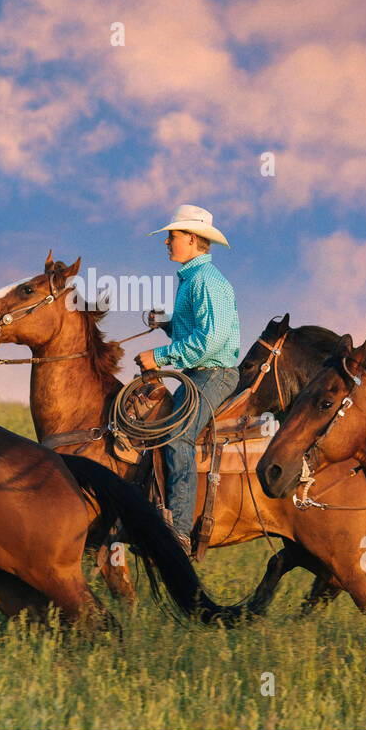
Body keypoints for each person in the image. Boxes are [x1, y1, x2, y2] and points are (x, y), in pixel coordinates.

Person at [137, 205, 240, 555]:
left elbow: (209, 342)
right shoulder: (193, 279)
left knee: (178, 435)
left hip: (215, 374)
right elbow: (195, 331)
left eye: (173, 236)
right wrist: (165, 322)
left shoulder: (206, 282)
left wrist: (159, 356)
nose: (167, 242)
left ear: (192, 239)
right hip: (200, 374)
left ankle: (178, 531)